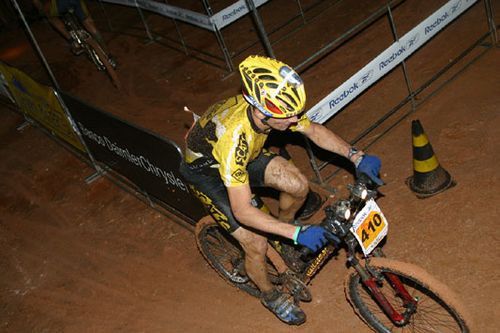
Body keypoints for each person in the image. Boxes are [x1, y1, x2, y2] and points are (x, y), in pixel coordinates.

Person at [180, 55, 382, 325]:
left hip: (243, 159)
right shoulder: (235, 136)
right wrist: (297, 234)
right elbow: (241, 210)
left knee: (298, 185)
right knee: (255, 242)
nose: (295, 119)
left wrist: (356, 156)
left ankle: (283, 239)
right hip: (209, 174)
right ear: (262, 112)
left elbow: (313, 131)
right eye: (288, 116)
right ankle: (270, 295)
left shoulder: (271, 110)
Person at [33, 0, 113, 60]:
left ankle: (72, 41)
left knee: (50, 16)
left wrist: (41, 10)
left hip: (59, 4)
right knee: (89, 24)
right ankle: (108, 54)